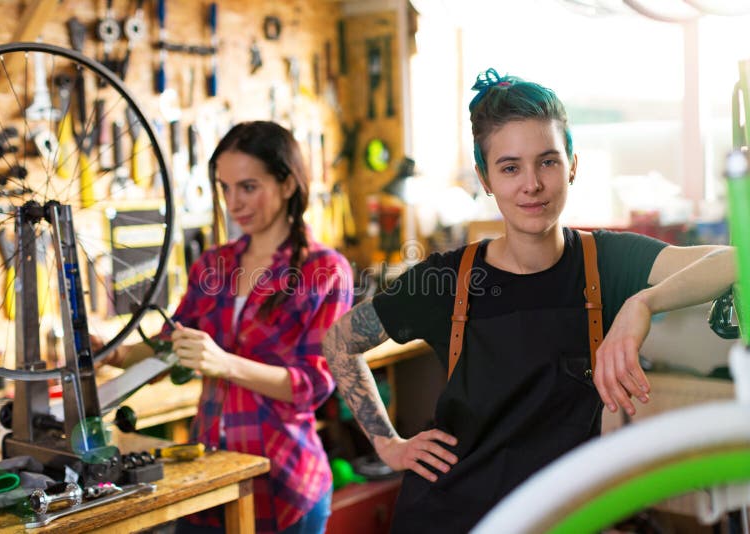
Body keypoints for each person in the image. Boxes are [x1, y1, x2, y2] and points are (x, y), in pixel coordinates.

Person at [322, 68, 736, 533]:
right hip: (452, 517)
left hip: (555, 519)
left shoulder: (609, 261)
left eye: (548, 161)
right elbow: (339, 342)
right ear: (485, 178)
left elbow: (734, 261)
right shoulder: (446, 280)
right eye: (510, 167)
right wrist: (387, 443)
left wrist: (644, 303)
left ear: (573, 164)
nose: (532, 184)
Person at [107, 121, 354, 533]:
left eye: (248, 186)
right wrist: (110, 352)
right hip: (208, 483)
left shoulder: (325, 271)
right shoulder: (212, 264)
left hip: (284, 487)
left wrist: (225, 363)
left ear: (288, 184)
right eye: (225, 188)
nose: (234, 202)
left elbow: (314, 385)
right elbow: (169, 350)